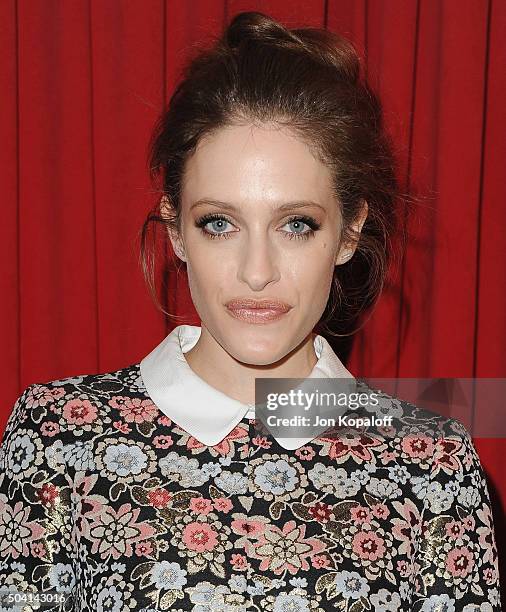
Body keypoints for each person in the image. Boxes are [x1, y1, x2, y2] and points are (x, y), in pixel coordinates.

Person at [0, 11, 501, 612]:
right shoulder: (59, 435)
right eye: (220, 223)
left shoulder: (435, 464)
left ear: (348, 233)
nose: (256, 271)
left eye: (296, 225)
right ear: (176, 230)